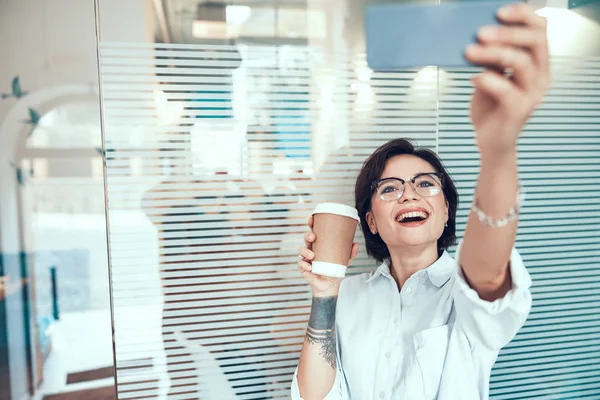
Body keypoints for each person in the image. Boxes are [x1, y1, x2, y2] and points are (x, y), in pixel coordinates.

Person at [292, 3, 550, 400]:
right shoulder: (352, 295)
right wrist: (325, 292)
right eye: (389, 188)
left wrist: (498, 152)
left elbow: (486, 272)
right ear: (371, 220)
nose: (409, 193)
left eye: (426, 184)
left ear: (446, 208)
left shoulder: (461, 290)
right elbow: (315, 395)